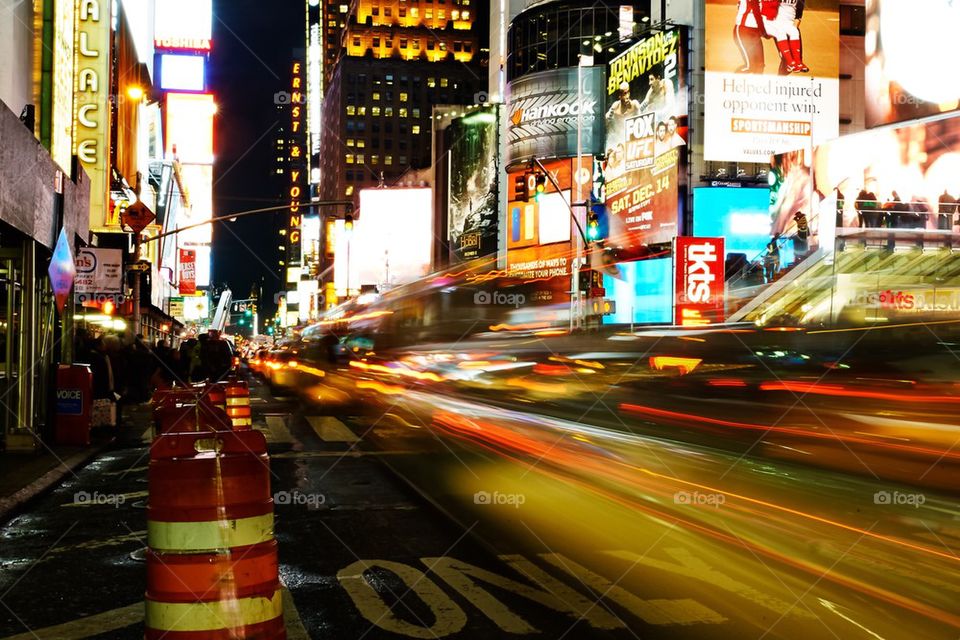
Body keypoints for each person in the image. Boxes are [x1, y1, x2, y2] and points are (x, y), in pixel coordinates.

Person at [761, 0, 809, 74]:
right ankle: (779, 82)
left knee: (793, 60)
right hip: (775, 23)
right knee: (786, 61)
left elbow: (799, 8)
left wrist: (796, 22)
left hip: (788, 23)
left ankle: (796, 64)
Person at [734, 0, 766, 73]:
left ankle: (756, 84)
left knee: (760, 65)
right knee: (750, 67)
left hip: (756, 32)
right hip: (743, 30)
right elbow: (756, 10)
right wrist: (763, 31)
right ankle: (732, 80)